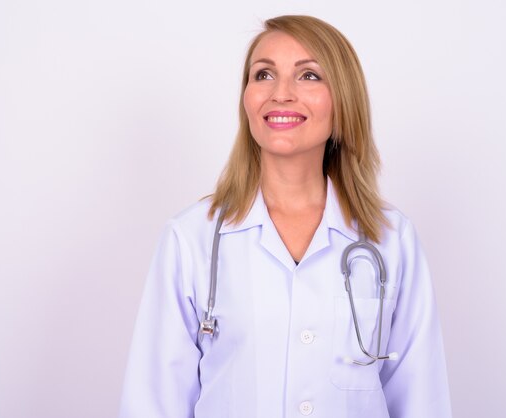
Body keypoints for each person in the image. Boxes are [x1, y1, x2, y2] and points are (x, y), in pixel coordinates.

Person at [118, 15, 452, 418]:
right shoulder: (191, 238)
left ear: (343, 100)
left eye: (309, 76)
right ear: (246, 98)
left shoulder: (390, 239)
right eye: (263, 75)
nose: (281, 93)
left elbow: (421, 398)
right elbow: (153, 403)